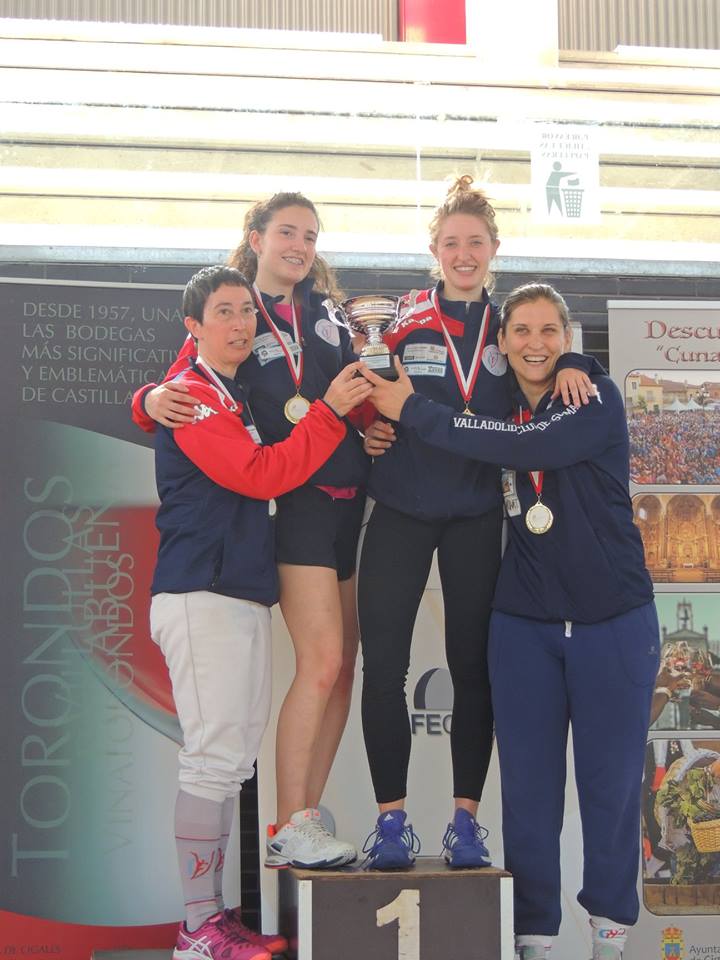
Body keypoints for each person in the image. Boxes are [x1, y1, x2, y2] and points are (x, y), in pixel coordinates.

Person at [363, 282, 659, 960]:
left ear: (568, 338)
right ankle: (534, 936)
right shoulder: (503, 402)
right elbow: (481, 422)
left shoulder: (591, 397)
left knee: (611, 789)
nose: (535, 343)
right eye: (520, 331)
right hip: (525, 624)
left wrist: (412, 409)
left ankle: (609, 935)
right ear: (500, 343)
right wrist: (381, 424)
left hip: (613, 620)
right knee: (527, 792)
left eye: (550, 331)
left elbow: (521, 448)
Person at [357, 177, 595, 871]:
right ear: (434, 249)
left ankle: (464, 823)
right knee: (385, 669)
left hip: (476, 517)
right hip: (399, 511)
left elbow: (547, 350)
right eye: (452, 242)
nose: (464, 254)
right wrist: (367, 426)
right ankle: (391, 822)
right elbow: (357, 380)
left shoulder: (509, 322)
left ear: (495, 248)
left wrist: (576, 359)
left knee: (472, 670)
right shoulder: (400, 317)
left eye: (476, 243)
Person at [132, 194, 370, 870]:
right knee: (321, 663)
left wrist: (373, 426)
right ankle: (290, 821)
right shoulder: (232, 311)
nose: (300, 246)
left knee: (341, 670)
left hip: (350, 504)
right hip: (291, 504)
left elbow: (351, 396)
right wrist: (147, 401)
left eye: (311, 236)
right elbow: (180, 388)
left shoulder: (330, 315)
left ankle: (306, 818)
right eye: (287, 232)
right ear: (256, 238)